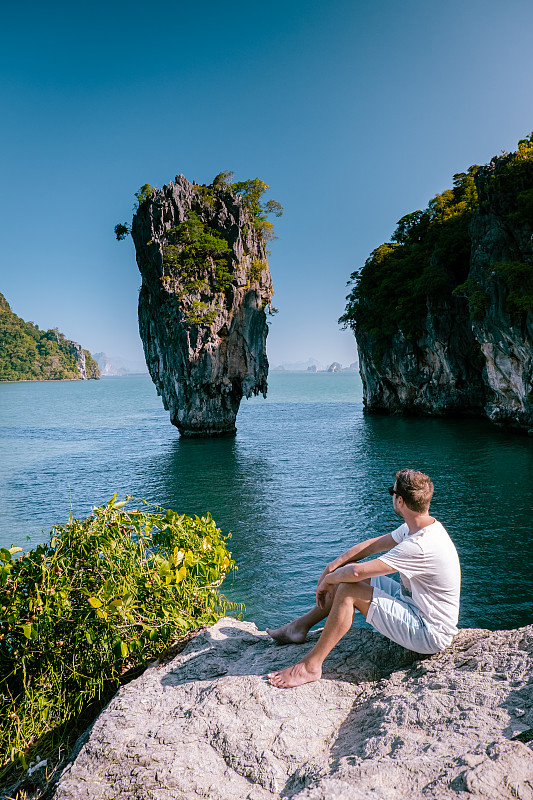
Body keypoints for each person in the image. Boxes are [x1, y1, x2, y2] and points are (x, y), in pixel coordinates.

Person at [267, 468, 461, 689]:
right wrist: (333, 567)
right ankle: (298, 628)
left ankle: (311, 666)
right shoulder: (419, 527)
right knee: (344, 577)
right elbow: (373, 545)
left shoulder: (420, 545)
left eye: (392, 492)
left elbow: (358, 573)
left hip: (428, 631)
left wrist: (327, 580)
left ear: (400, 501)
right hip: (413, 604)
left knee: (349, 590)